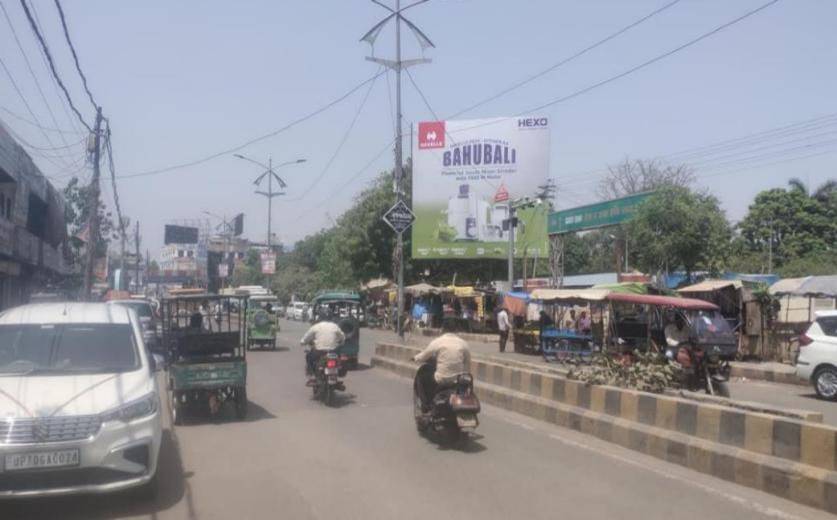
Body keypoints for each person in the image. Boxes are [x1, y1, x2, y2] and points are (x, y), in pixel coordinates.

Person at [412, 333, 472, 411]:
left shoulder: (438, 341)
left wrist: (415, 358)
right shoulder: (463, 343)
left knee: (421, 376)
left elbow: (424, 355)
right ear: (456, 331)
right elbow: (467, 364)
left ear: (443, 330)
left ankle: (425, 405)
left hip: (441, 380)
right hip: (458, 381)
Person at [300, 311, 346, 382]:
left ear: (320, 318)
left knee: (308, 356)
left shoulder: (316, 326)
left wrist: (302, 342)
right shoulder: (334, 326)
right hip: (333, 351)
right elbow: (342, 337)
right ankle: (338, 372)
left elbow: (306, 337)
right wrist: (341, 342)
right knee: (340, 359)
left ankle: (311, 374)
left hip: (319, 352)